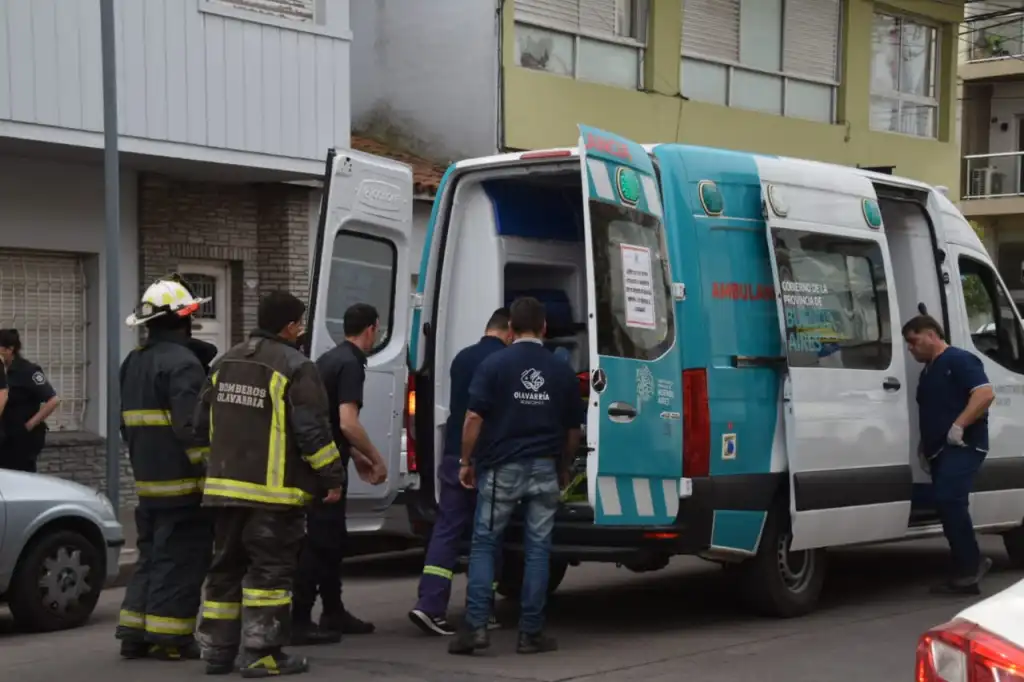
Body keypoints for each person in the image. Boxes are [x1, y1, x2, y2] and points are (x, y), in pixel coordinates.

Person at [194, 291, 347, 677]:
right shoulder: (296, 366)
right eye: (300, 323)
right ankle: (262, 653)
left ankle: (216, 653)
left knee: (225, 570)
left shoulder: (222, 362)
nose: (301, 330)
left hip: (224, 491)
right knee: (270, 573)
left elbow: (198, 426)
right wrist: (332, 475)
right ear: (289, 326)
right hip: (273, 496)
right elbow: (311, 431)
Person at [449, 297, 582, 656]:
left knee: (485, 544)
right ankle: (531, 633)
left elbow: (473, 418)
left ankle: (476, 628)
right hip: (544, 467)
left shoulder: (494, 364)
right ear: (544, 328)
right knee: (538, 550)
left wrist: (466, 460)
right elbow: (573, 430)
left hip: (501, 468)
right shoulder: (560, 370)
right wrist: (564, 465)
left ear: (510, 329)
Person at [115, 277, 213, 661]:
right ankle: (170, 639)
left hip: (148, 483)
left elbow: (128, 426)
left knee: (151, 557)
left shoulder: (133, 362)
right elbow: (192, 431)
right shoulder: (185, 364)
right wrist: (209, 478)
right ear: (183, 319)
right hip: (182, 486)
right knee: (181, 560)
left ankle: (133, 633)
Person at [408, 308, 512, 636]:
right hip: (487, 459)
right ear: (509, 330)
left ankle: (430, 606)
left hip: (455, 454)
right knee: (488, 536)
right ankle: (481, 609)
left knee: (447, 530)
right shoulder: (504, 363)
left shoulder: (461, 358)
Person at [291, 303, 387, 644]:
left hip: (320, 461)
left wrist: (357, 456)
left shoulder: (330, 359)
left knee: (331, 542)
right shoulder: (351, 364)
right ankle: (298, 618)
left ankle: (333, 611)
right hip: (326, 470)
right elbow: (347, 421)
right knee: (320, 543)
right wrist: (376, 457)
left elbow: (329, 420)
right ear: (372, 329)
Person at [903, 314, 996, 595]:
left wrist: (960, 425)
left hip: (964, 445)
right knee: (946, 504)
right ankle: (964, 572)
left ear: (931, 334)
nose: (911, 348)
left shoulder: (959, 360)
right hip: (940, 449)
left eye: (914, 341)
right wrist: (925, 445)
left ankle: (971, 565)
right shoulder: (928, 371)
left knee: (949, 499)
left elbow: (984, 394)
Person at [0, 329, 60, 473]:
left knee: (22, 478)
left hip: (22, 438)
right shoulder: (2, 370)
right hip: (4, 436)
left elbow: (53, 400)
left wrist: (29, 425)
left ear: (10, 349)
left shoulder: (28, 370)